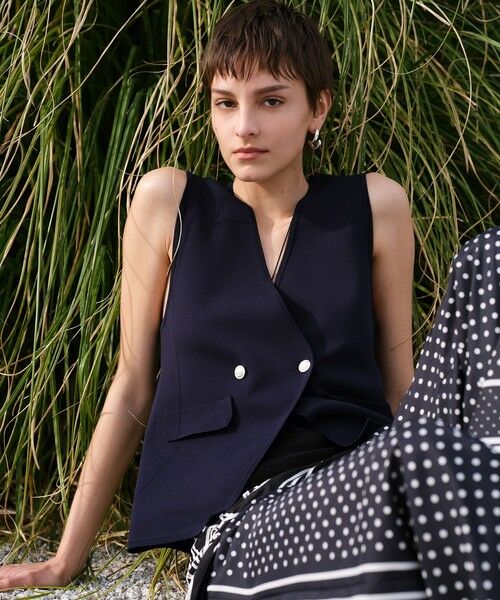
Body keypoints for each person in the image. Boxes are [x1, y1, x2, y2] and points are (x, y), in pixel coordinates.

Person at [0, 0, 496, 598]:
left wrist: (430, 463)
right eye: (225, 103)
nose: (244, 128)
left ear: (318, 109)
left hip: (360, 478)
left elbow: (402, 387)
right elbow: (132, 384)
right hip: (241, 520)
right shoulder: (170, 202)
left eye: (271, 101)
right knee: (430, 467)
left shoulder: (374, 205)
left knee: (489, 262)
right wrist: (64, 560)